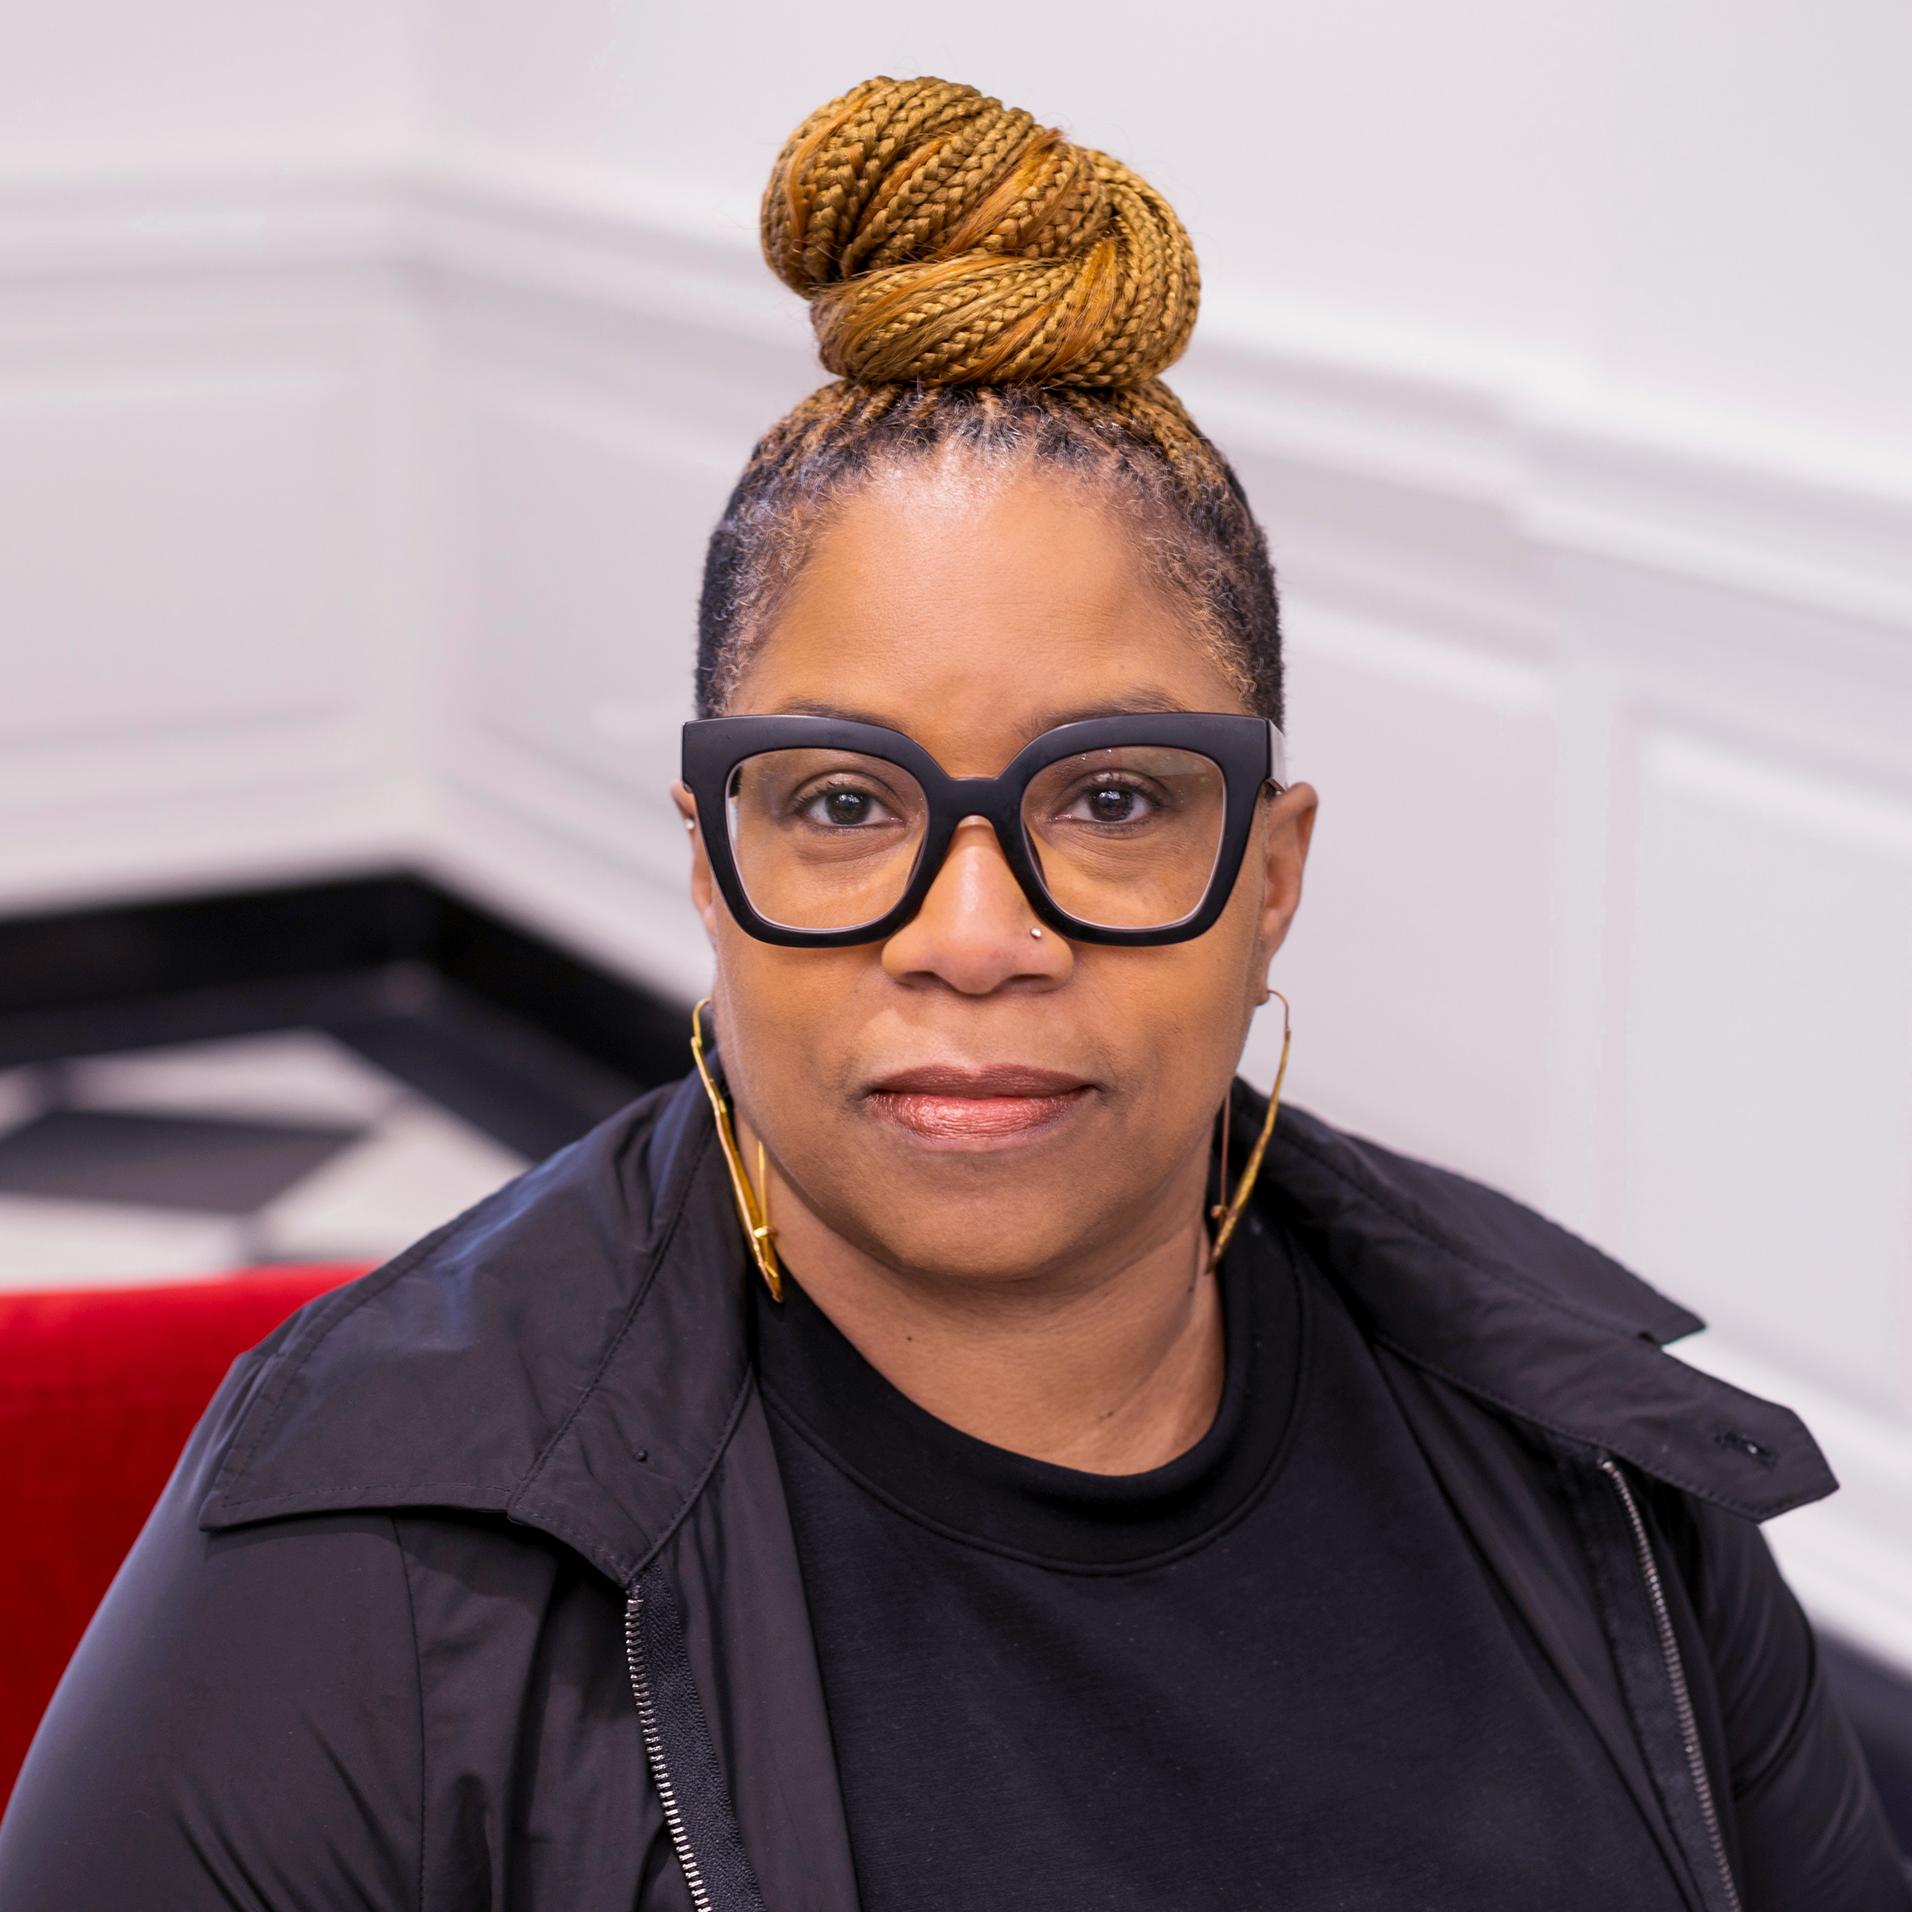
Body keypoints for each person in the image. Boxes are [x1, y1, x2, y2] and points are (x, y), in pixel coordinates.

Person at [2, 74, 1905, 1912]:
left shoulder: (1598, 1469)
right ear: (706, 857)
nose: (976, 930)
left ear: (1269, 877)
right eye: (843, 803)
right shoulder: (368, 1567)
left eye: (1111, 797)